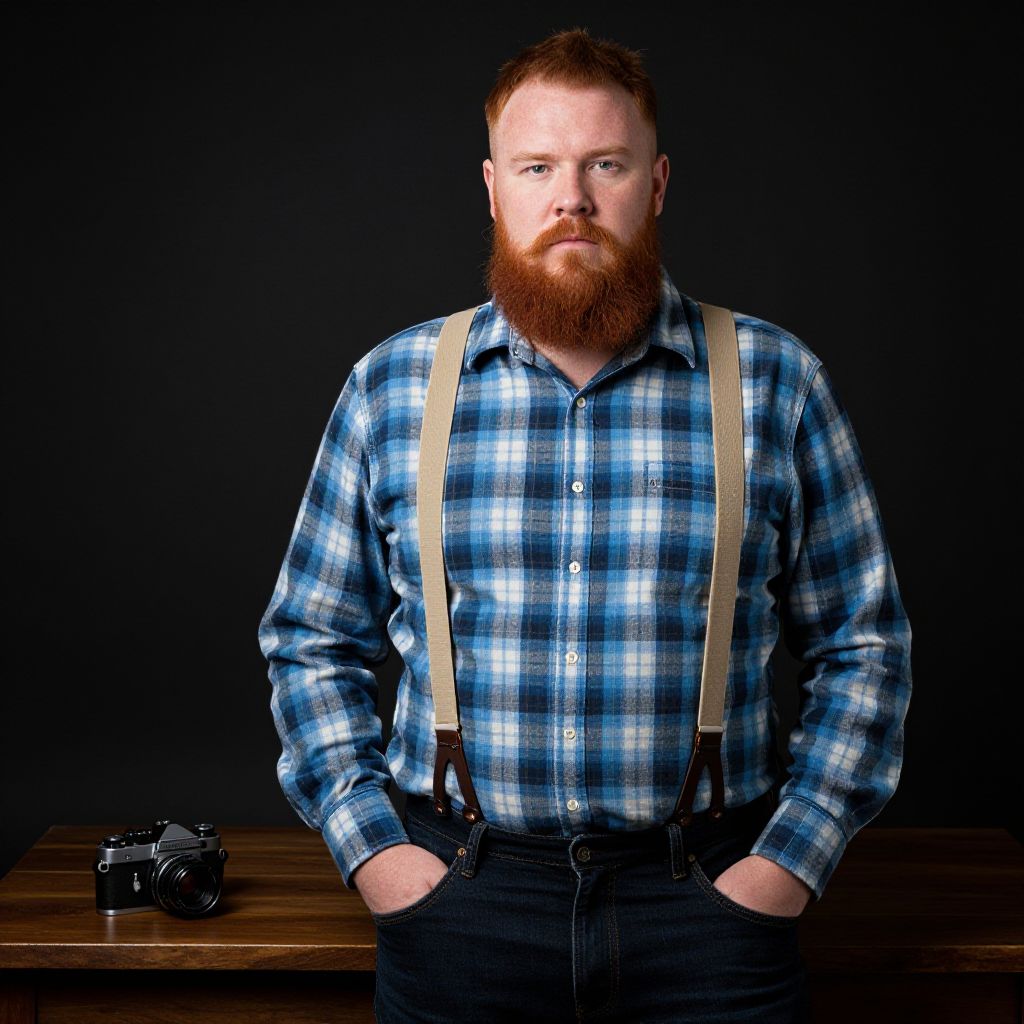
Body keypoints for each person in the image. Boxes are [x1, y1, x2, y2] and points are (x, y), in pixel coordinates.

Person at [258, 27, 912, 1024]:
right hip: (458, 902)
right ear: (493, 187)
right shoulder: (391, 388)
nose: (572, 196)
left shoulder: (776, 382)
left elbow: (864, 646)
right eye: (538, 166)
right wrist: (376, 854)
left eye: (604, 163)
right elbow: (307, 639)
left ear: (654, 184)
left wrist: (788, 863)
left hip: (712, 904)